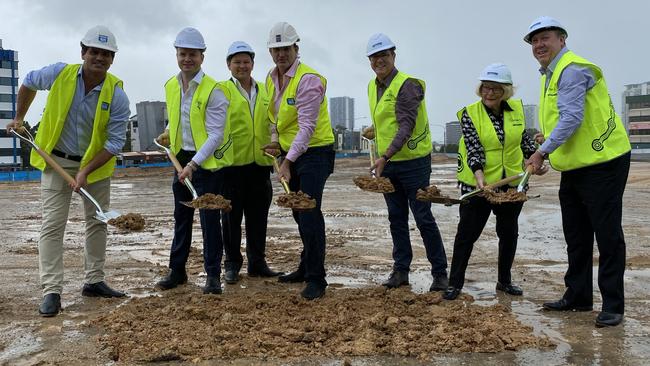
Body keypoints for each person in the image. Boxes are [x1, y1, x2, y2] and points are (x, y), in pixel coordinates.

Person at [5, 26, 129, 317]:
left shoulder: (118, 95)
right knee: (53, 225)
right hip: (55, 161)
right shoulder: (59, 73)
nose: (99, 58)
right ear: (83, 52)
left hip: (95, 166)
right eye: (94, 52)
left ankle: (94, 281)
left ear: (112, 59)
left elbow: (113, 143)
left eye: (106, 54)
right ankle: (51, 290)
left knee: (97, 222)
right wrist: (20, 117)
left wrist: (85, 171)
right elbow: (28, 82)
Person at [524, 16, 631, 327]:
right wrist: (548, 139)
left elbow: (571, 118)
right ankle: (579, 296)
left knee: (607, 234)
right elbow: (566, 119)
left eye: (545, 38)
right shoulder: (551, 74)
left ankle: (613, 304)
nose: (539, 45)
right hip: (577, 165)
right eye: (534, 41)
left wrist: (541, 152)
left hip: (604, 162)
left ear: (562, 39)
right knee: (576, 234)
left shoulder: (571, 69)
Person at [443, 63, 540, 301]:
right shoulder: (470, 113)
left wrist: (534, 160)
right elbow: (474, 148)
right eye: (485, 88)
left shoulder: (516, 110)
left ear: (506, 91)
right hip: (479, 185)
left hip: (511, 185)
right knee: (467, 235)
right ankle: (454, 283)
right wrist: (479, 178)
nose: (489, 93)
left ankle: (504, 281)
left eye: (495, 89)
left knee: (508, 233)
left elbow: (523, 141)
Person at [363, 33, 448, 291]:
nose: (380, 61)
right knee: (396, 217)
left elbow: (406, 124)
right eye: (375, 57)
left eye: (384, 55)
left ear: (394, 56)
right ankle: (401, 270)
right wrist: (374, 130)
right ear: (369, 60)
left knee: (423, 216)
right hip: (389, 164)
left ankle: (440, 273)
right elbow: (388, 121)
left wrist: (384, 155)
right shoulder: (373, 85)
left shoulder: (408, 85)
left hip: (413, 163)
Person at [262, 22, 335, 300]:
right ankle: (306, 267)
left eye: (286, 49)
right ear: (270, 51)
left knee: (308, 210)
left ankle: (317, 279)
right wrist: (275, 143)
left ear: (296, 48)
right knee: (298, 212)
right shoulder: (271, 78)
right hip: (290, 153)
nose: (281, 54)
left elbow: (306, 128)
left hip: (315, 152)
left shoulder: (309, 80)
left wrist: (287, 162)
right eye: (276, 49)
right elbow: (274, 118)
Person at [155, 27, 231, 295]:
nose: (187, 59)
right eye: (182, 53)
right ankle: (177, 271)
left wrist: (193, 165)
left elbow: (215, 135)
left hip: (206, 164)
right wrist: (167, 133)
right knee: (181, 217)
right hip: (181, 158)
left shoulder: (215, 91)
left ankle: (212, 276)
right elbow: (178, 119)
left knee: (210, 220)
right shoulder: (171, 86)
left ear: (202, 56)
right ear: (176, 54)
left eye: (193, 54)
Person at [220, 41, 281, 284]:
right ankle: (232, 264)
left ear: (253, 64)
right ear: (229, 65)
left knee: (258, 217)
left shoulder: (266, 91)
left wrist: (276, 144)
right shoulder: (221, 90)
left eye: (246, 62)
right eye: (237, 62)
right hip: (232, 166)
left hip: (260, 164)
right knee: (231, 219)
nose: (242, 66)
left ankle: (257, 263)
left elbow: (274, 123)